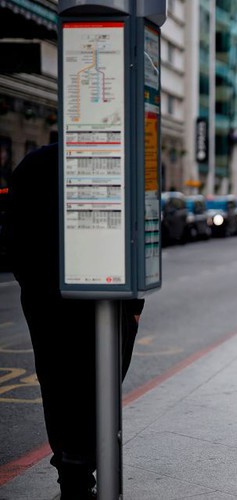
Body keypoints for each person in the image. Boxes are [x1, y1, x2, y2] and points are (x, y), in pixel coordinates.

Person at [7, 143, 145, 499]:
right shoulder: (111, 162)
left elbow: (12, 234)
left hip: (45, 298)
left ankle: (71, 469)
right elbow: (133, 232)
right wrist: (135, 303)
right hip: (105, 294)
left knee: (56, 382)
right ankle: (82, 463)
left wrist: (32, 285)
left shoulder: (31, 163)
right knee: (101, 380)